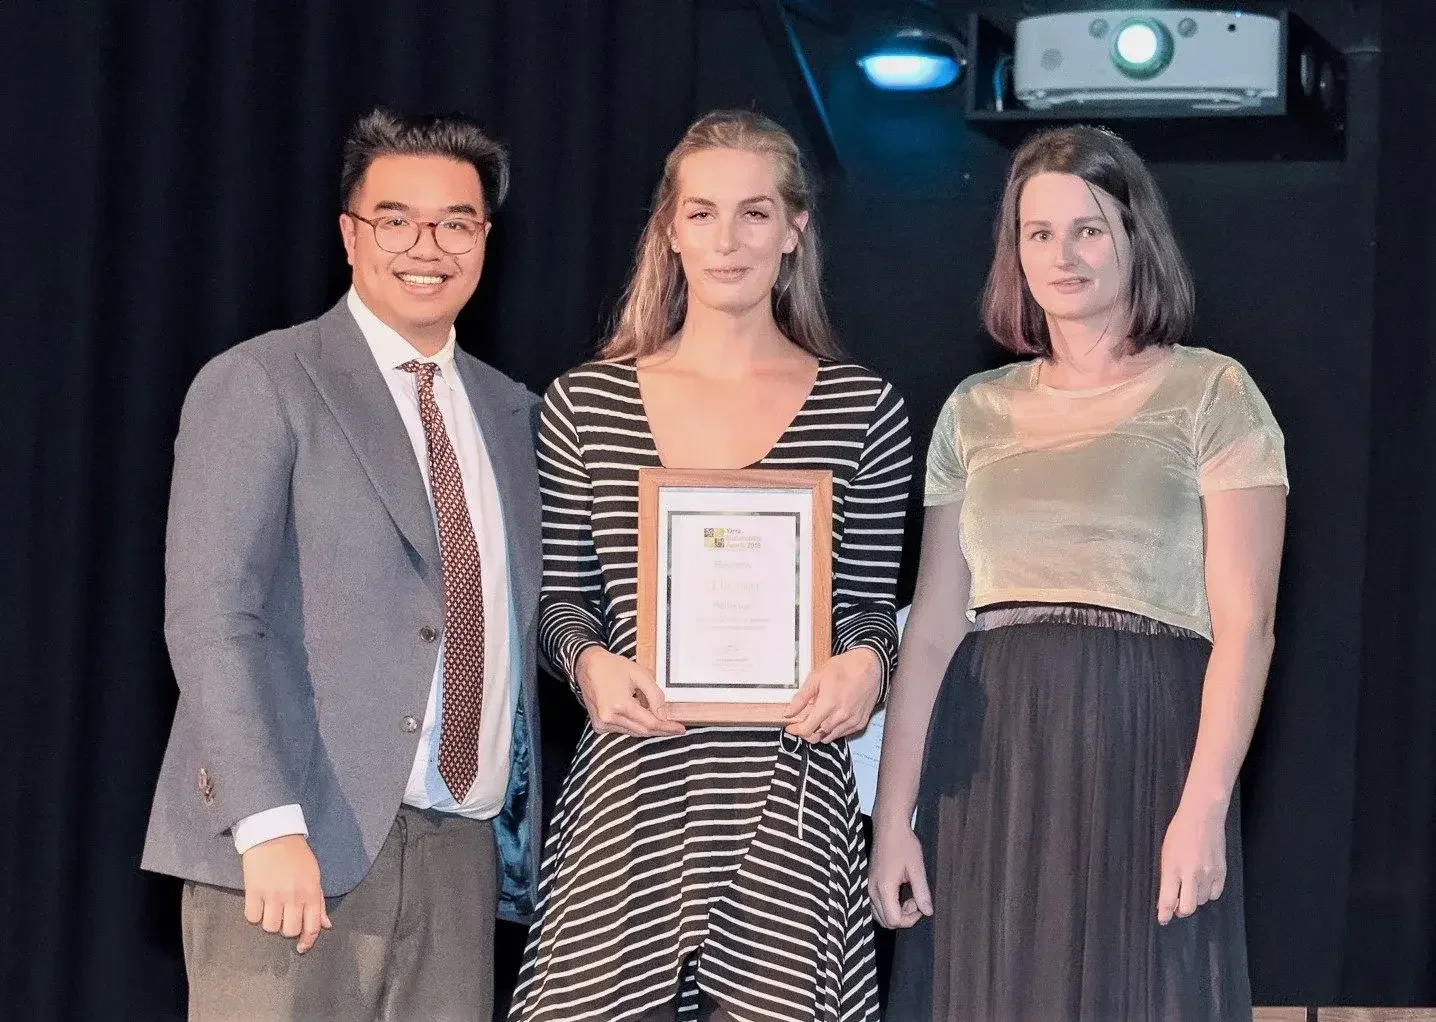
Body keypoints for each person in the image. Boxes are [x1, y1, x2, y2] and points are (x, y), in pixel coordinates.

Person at [871, 125, 1288, 1021]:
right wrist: (893, 819)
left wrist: (1205, 803)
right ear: (1013, 252)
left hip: (1146, 741)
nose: (1063, 254)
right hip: (986, 759)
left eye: (1089, 229)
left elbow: (1247, 626)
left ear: (1138, 239)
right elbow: (935, 627)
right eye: (1039, 232)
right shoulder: (975, 410)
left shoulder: (1213, 394)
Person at [508, 110, 911, 1022]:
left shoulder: (865, 408)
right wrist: (590, 665)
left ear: (795, 229)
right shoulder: (587, 402)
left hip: (790, 789)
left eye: (755, 213)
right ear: (670, 230)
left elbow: (868, 612)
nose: (727, 240)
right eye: (702, 214)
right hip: (633, 784)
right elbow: (560, 604)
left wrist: (867, 667)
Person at [142, 108, 544, 1020]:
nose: (426, 246)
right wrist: (266, 821)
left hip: (460, 853)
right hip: (294, 845)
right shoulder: (264, 380)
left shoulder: (514, 415)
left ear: (486, 239)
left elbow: (536, 614)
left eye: (456, 222)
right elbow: (211, 617)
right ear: (350, 235)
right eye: (395, 219)